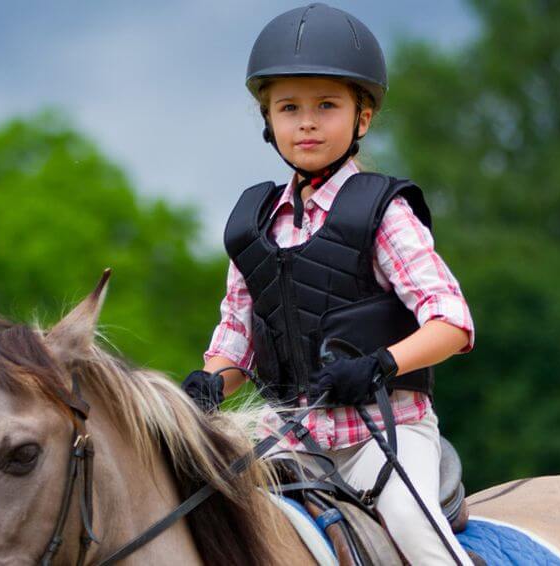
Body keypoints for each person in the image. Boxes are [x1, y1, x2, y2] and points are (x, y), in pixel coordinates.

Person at [183, 4, 475, 564]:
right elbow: (235, 342)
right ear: (268, 121)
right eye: (289, 107)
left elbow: (453, 322)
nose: (307, 122)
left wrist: (380, 365)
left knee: (419, 536)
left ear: (362, 118)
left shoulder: (383, 212)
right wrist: (210, 384)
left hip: (381, 435)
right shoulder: (254, 224)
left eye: (326, 105)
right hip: (285, 439)